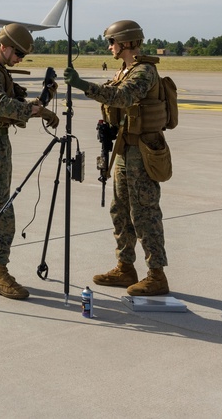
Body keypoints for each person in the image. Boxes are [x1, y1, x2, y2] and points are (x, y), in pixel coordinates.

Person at [64, 20, 171, 296]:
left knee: (144, 213)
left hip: (143, 152)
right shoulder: (124, 70)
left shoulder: (144, 71)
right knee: (120, 210)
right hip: (125, 149)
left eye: (112, 42)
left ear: (126, 43)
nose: (110, 47)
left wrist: (81, 85)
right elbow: (112, 94)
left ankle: (156, 275)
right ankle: (126, 267)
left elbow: (121, 97)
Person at [0, 23, 59, 300]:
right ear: (4, 47)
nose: (19, 59)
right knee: (1, 213)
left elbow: (12, 101)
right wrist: (33, 111)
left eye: (23, 56)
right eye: (17, 53)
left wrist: (41, 103)